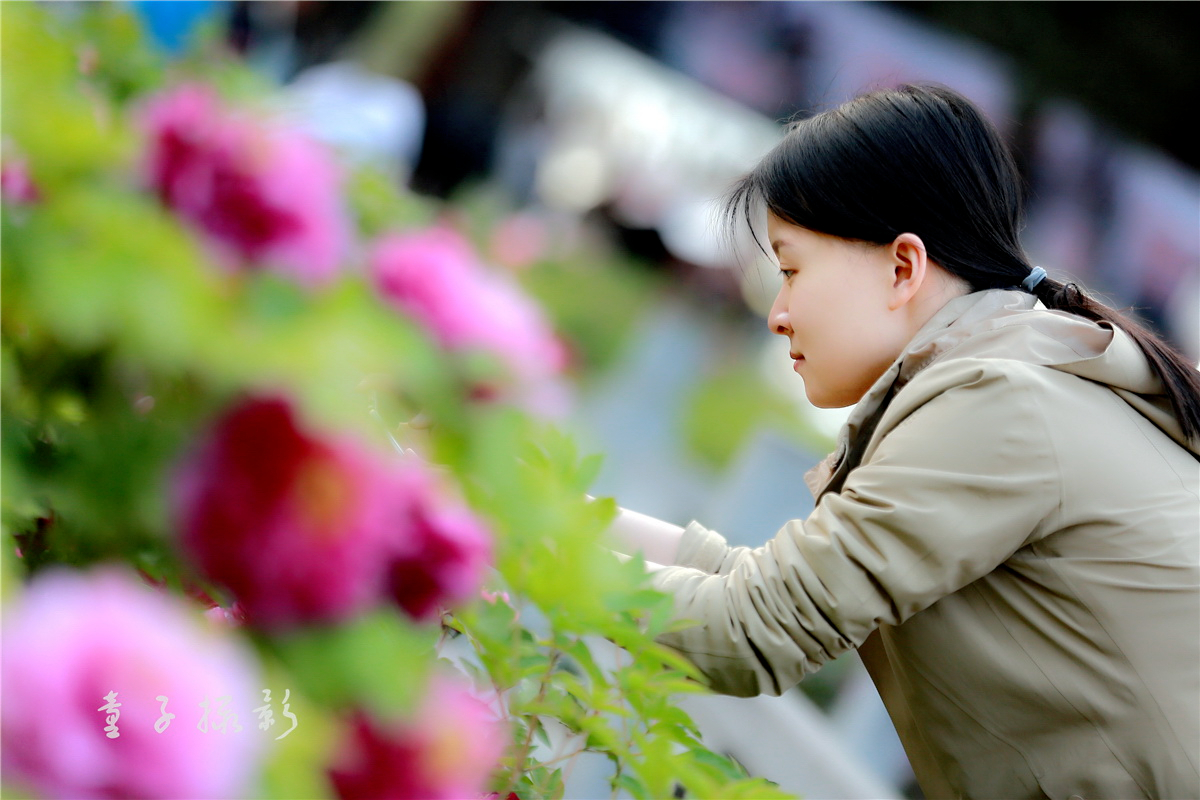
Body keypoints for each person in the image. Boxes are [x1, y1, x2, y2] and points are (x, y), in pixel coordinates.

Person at [604, 84, 1200, 799]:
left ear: (903, 267)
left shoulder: (1001, 403)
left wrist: (509, 549)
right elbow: (767, 586)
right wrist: (556, 514)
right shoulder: (1012, 374)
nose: (778, 313)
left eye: (791, 269)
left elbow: (753, 629)